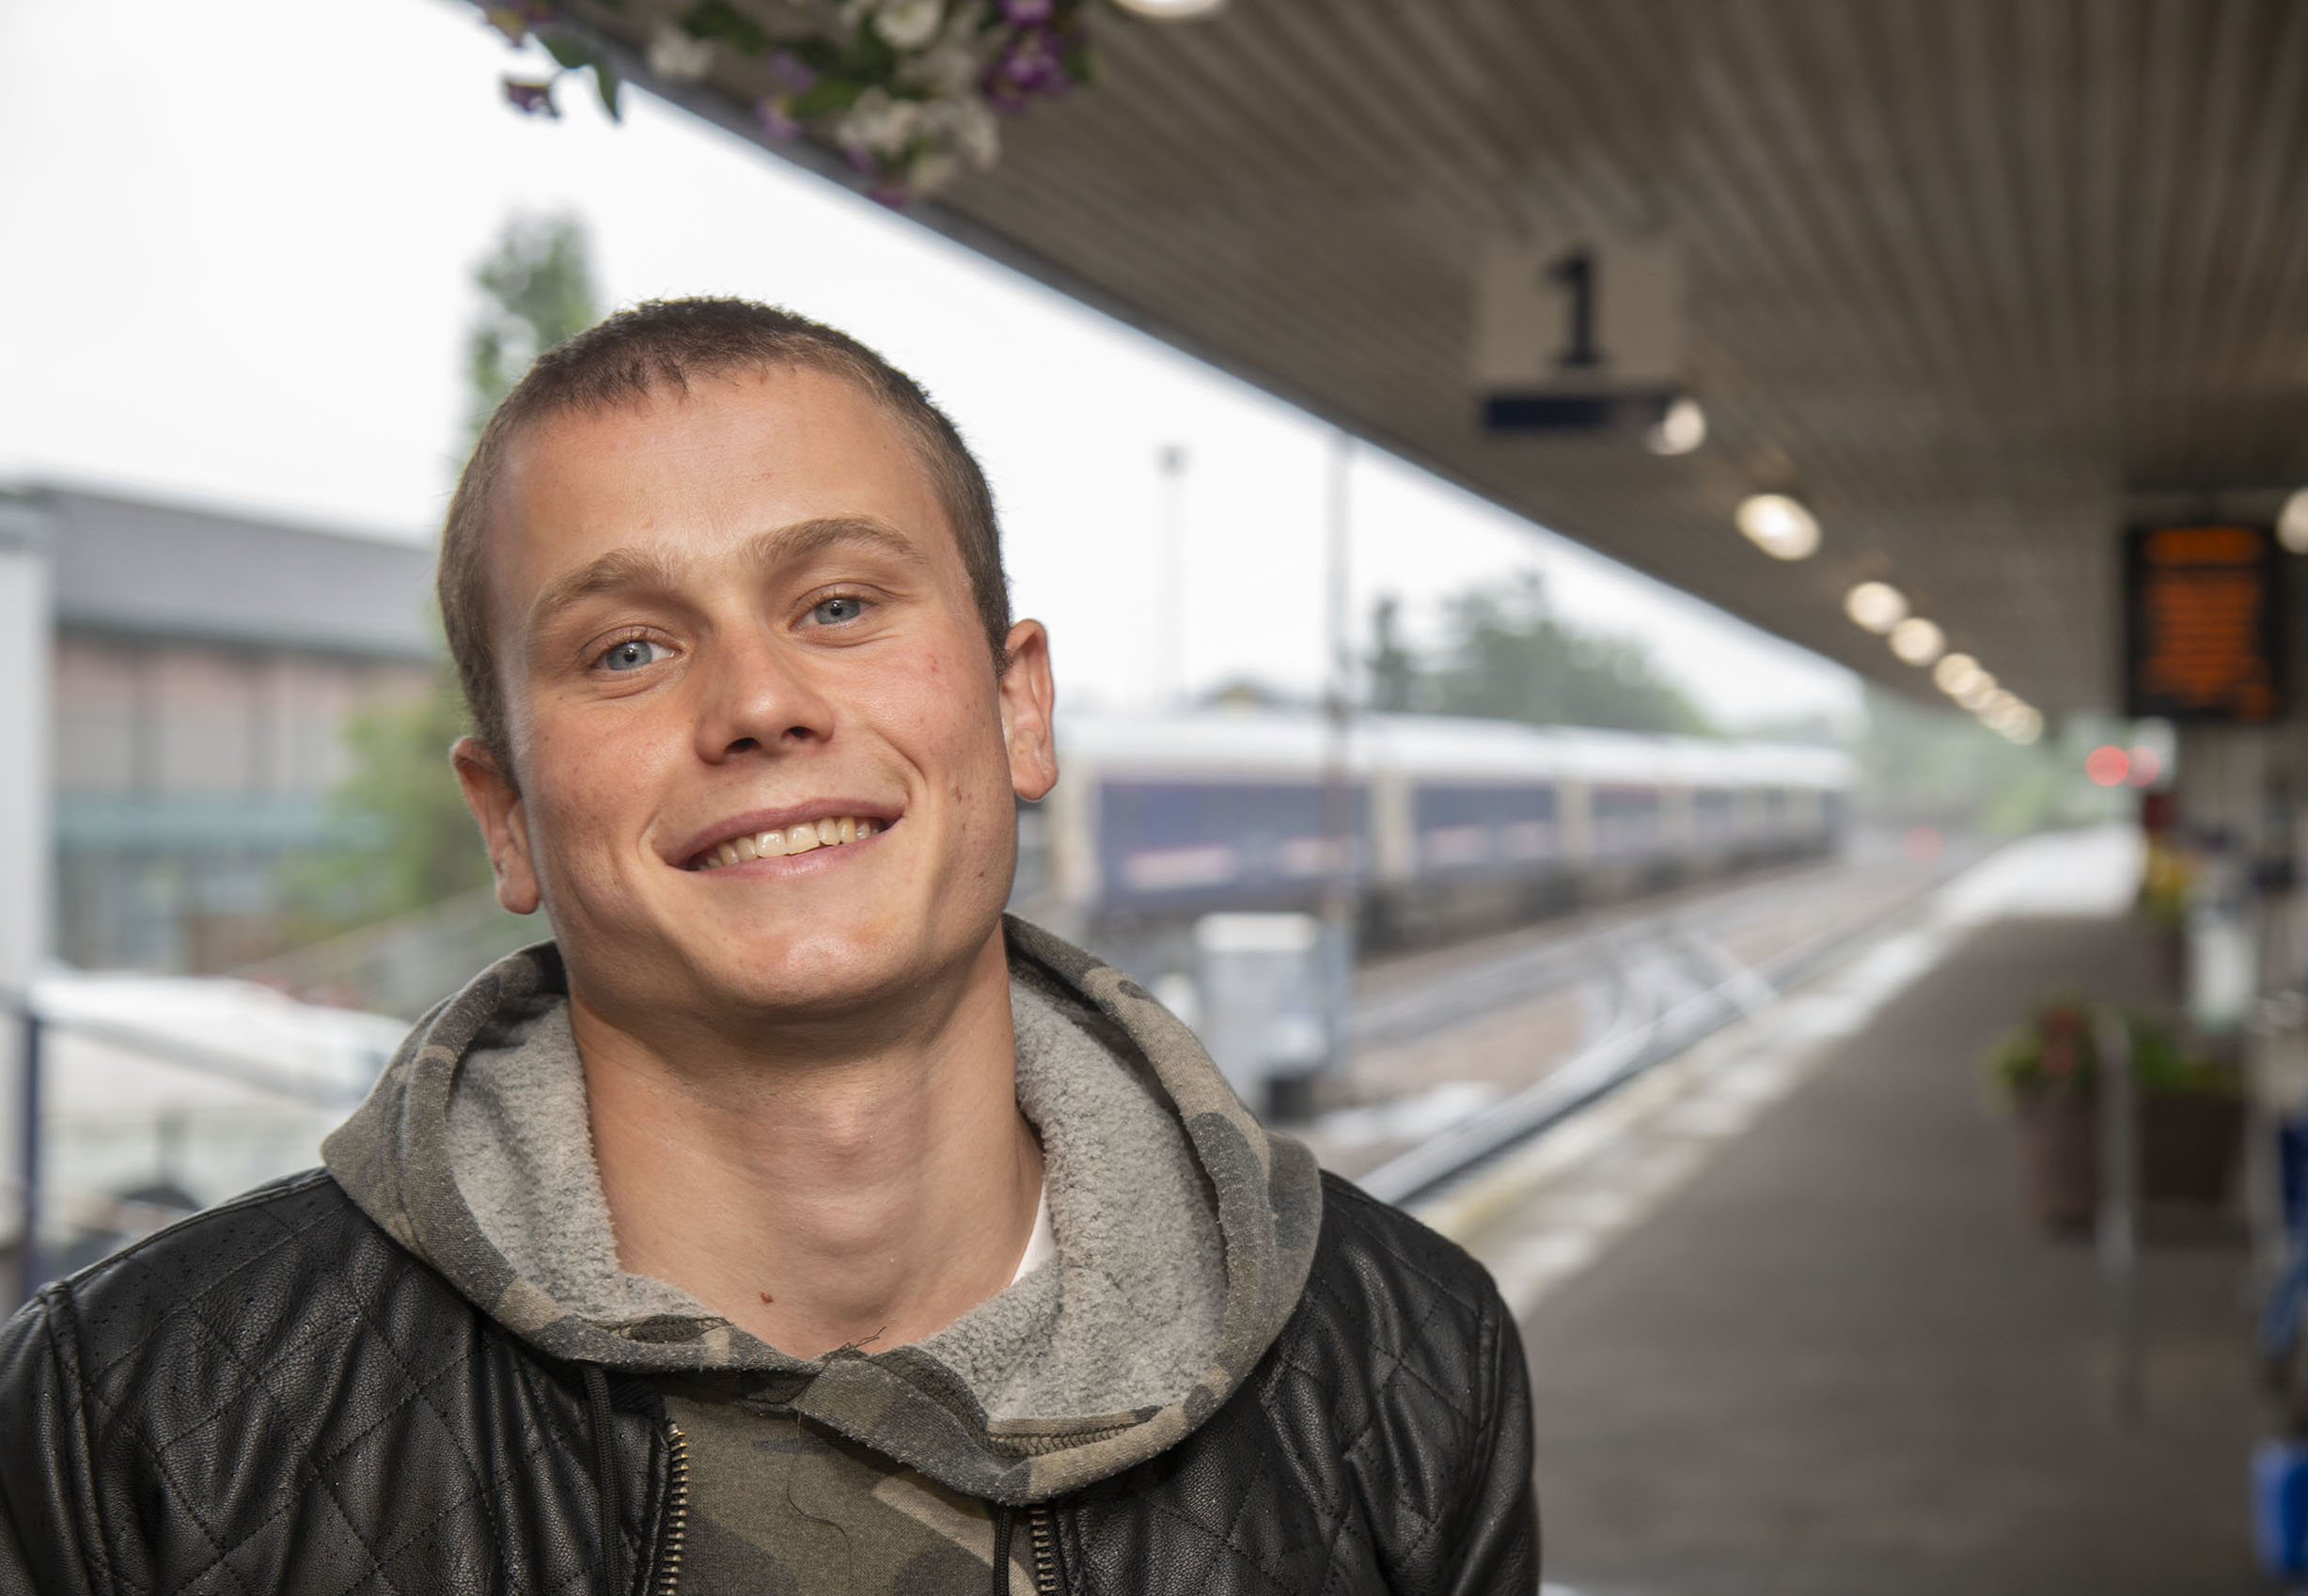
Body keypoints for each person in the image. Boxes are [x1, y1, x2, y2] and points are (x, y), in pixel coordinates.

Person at [0, 299, 1537, 1594]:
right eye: (629, 648)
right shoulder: (138, 1411)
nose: (758, 700)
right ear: (508, 813)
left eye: (843, 601)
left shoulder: (1407, 1358)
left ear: (1019, 709)